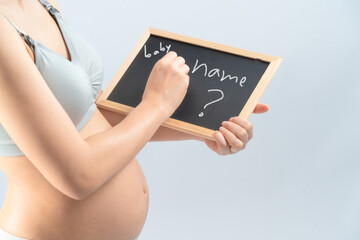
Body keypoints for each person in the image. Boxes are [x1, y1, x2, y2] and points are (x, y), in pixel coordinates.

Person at [0, 0, 270, 239]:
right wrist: (157, 104)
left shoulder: (42, 3)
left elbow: (92, 118)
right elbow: (77, 176)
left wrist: (209, 123)